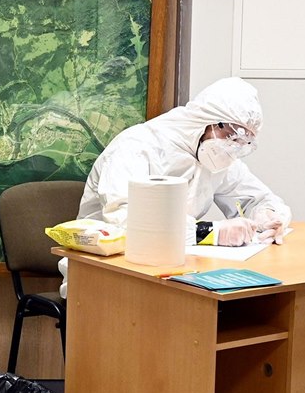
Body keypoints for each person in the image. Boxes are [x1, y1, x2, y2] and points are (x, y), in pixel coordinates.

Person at [59, 77, 290, 293]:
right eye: (232, 136)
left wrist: (268, 216)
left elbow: (258, 198)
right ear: (209, 121)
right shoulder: (137, 146)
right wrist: (210, 232)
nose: (234, 147)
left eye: (243, 142)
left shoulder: (217, 157)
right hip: (104, 272)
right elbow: (127, 220)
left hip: (176, 270)